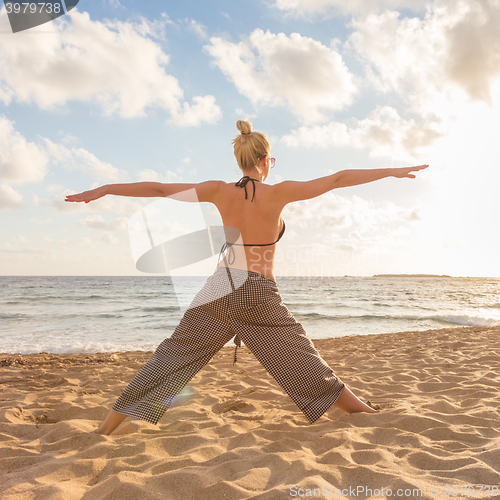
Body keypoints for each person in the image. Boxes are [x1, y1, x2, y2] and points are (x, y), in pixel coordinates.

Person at [65, 120, 428, 435]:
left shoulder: (217, 190)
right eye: (272, 160)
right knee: (300, 359)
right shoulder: (279, 193)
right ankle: (363, 412)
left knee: (171, 359)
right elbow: (337, 179)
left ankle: (105, 427)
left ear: (240, 159)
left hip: (219, 286)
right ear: (266, 161)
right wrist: (390, 171)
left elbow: (159, 189)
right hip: (256, 289)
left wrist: (106, 189)